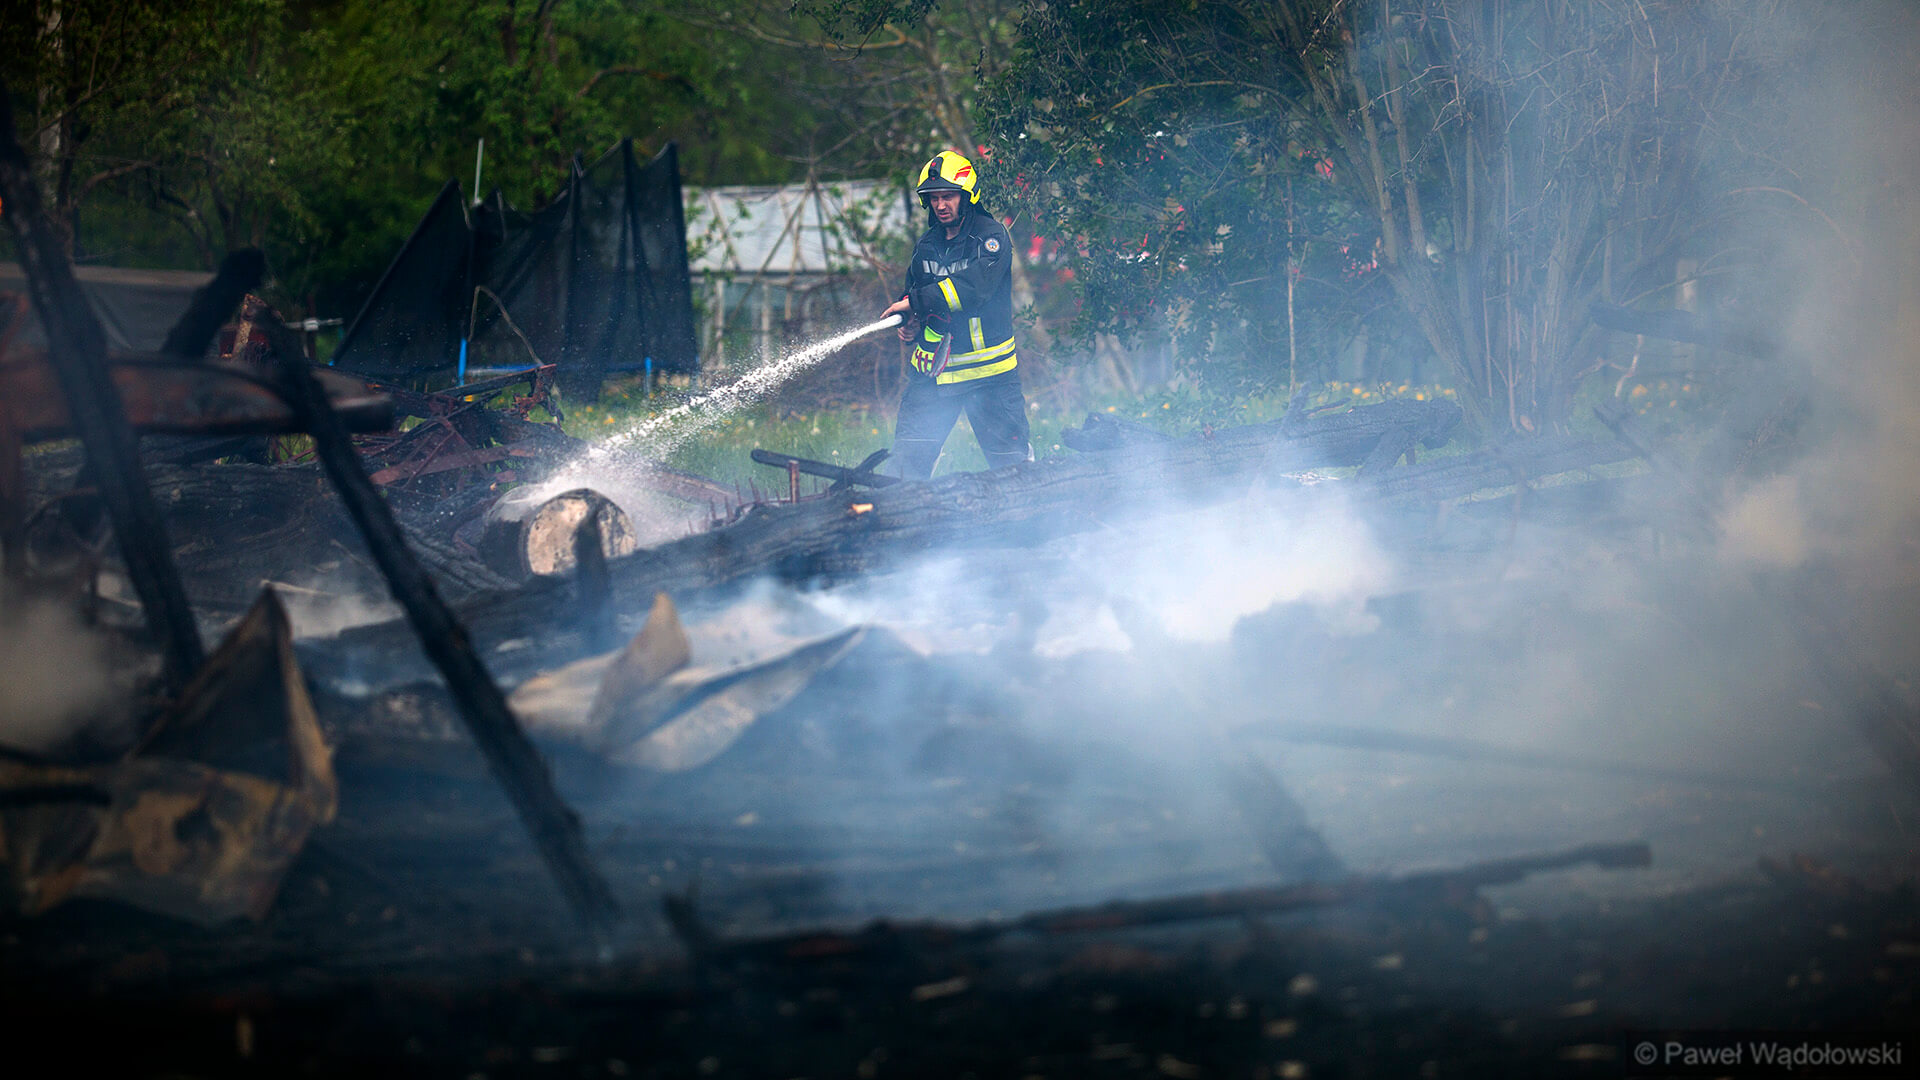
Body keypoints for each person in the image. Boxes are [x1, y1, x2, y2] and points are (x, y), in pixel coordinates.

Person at [879, 150, 1031, 479]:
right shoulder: (926, 245)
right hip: (932, 376)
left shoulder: (991, 238)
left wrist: (914, 303)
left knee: (1013, 471)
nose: (940, 205)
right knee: (905, 469)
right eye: (933, 198)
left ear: (967, 195)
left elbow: (973, 288)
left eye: (948, 196)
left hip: (989, 378)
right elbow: (914, 292)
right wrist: (910, 323)